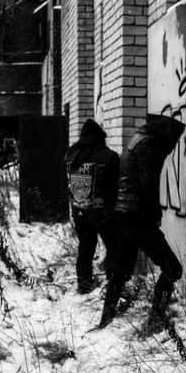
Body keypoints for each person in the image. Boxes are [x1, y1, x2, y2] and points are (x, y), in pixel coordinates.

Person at [99, 113, 186, 330]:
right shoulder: (149, 145)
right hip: (136, 215)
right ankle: (156, 319)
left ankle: (106, 318)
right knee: (173, 269)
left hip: (123, 214)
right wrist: (155, 216)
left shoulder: (138, 139)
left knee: (123, 268)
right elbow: (148, 184)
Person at [65, 119, 120, 294]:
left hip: (79, 211)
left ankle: (84, 286)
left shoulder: (71, 155)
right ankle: (112, 287)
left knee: (85, 249)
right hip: (102, 213)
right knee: (114, 247)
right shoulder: (109, 156)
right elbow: (114, 187)